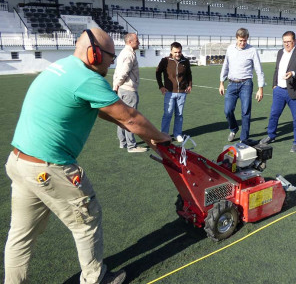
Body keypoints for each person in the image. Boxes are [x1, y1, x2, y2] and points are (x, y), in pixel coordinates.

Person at [3, 28, 171, 284]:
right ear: (94, 54)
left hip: (19, 163)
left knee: (21, 236)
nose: (112, 62)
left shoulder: (60, 67)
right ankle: (95, 279)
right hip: (48, 168)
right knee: (87, 219)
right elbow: (130, 116)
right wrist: (159, 137)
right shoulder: (87, 78)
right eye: (110, 57)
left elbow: (105, 111)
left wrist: (137, 130)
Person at [259, 31, 296, 152]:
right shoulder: (280, 52)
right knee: (274, 114)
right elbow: (277, 69)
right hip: (279, 91)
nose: (286, 44)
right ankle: (271, 135)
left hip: (295, 90)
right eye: (284, 41)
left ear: (294, 41)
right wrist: (274, 85)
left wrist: (293, 73)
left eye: (289, 41)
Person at [219, 28, 264, 146]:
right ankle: (233, 128)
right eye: (240, 40)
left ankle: (244, 138)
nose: (242, 43)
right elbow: (225, 66)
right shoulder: (230, 49)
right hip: (232, 83)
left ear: (247, 39)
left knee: (245, 112)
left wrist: (260, 88)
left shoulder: (252, 50)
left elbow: (259, 70)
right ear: (236, 38)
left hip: (246, 84)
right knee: (228, 110)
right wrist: (221, 82)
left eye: (244, 40)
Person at [113, 32, 146, 152]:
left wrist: (116, 86)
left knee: (121, 117)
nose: (139, 43)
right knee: (130, 118)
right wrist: (116, 85)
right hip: (128, 90)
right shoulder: (129, 54)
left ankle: (123, 143)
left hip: (122, 89)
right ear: (130, 42)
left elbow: (118, 72)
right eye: (137, 41)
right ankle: (131, 146)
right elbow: (123, 73)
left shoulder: (124, 52)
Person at [155, 42, 192, 142]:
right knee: (168, 114)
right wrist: (161, 86)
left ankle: (177, 134)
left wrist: (189, 85)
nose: (177, 54)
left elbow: (189, 74)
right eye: (175, 52)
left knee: (179, 114)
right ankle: (164, 135)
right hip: (169, 93)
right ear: (171, 51)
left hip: (182, 93)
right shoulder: (165, 61)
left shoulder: (185, 61)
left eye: (179, 52)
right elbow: (158, 73)